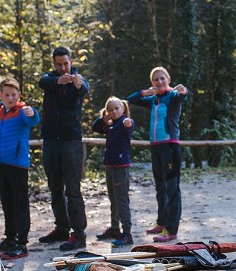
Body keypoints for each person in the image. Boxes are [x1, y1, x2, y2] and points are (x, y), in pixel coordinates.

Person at [37, 46, 90, 251]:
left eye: (65, 63)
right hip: (50, 139)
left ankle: (78, 235)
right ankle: (61, 228)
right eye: (58, 64)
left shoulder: (79, 79)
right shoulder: (49, 79)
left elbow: (84, 88)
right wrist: (59, 80)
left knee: (73, 189)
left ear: (71, 61)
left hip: (71, 141)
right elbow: (43, 82)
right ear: (54, 63)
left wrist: (76, 83)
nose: (62, 67)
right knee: (55, 187)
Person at [127, 67, 188, 242]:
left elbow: (183, 95)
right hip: (155, 147)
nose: (159, 82)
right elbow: (131, 100)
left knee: (172, 188)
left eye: (162, 78)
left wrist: (183, 90)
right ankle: (162, 222)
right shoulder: (153, 99)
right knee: (160, 186)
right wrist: (145, 92)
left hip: (170, 146)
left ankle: (171, 230)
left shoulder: (173, 96)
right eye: (155, 79)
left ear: (168, 79)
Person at [0, 77, 40, 260]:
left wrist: (33, 113)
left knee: (20, 204)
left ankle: (21, 244)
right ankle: (10, 238)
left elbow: (33, 120)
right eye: (6, 94)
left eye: (13, 94)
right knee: (7, 204)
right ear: (0, 95)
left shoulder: (22, 112)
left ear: (19, 95)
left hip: (17, 165)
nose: (10, 98)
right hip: (1, 164)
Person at [92, 97, 135, 247]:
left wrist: (127, 122)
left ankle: (127, 233)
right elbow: (95, 127)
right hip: (110, 166)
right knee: (113, 199)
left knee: (121, 199)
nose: (114, 111)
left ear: (123, 109)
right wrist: (105, 117)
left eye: (117, 108)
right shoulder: (109, 124)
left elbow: (129, 125)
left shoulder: (124, 122)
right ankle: (115, 228)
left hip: (121, 166)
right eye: (110, 109)